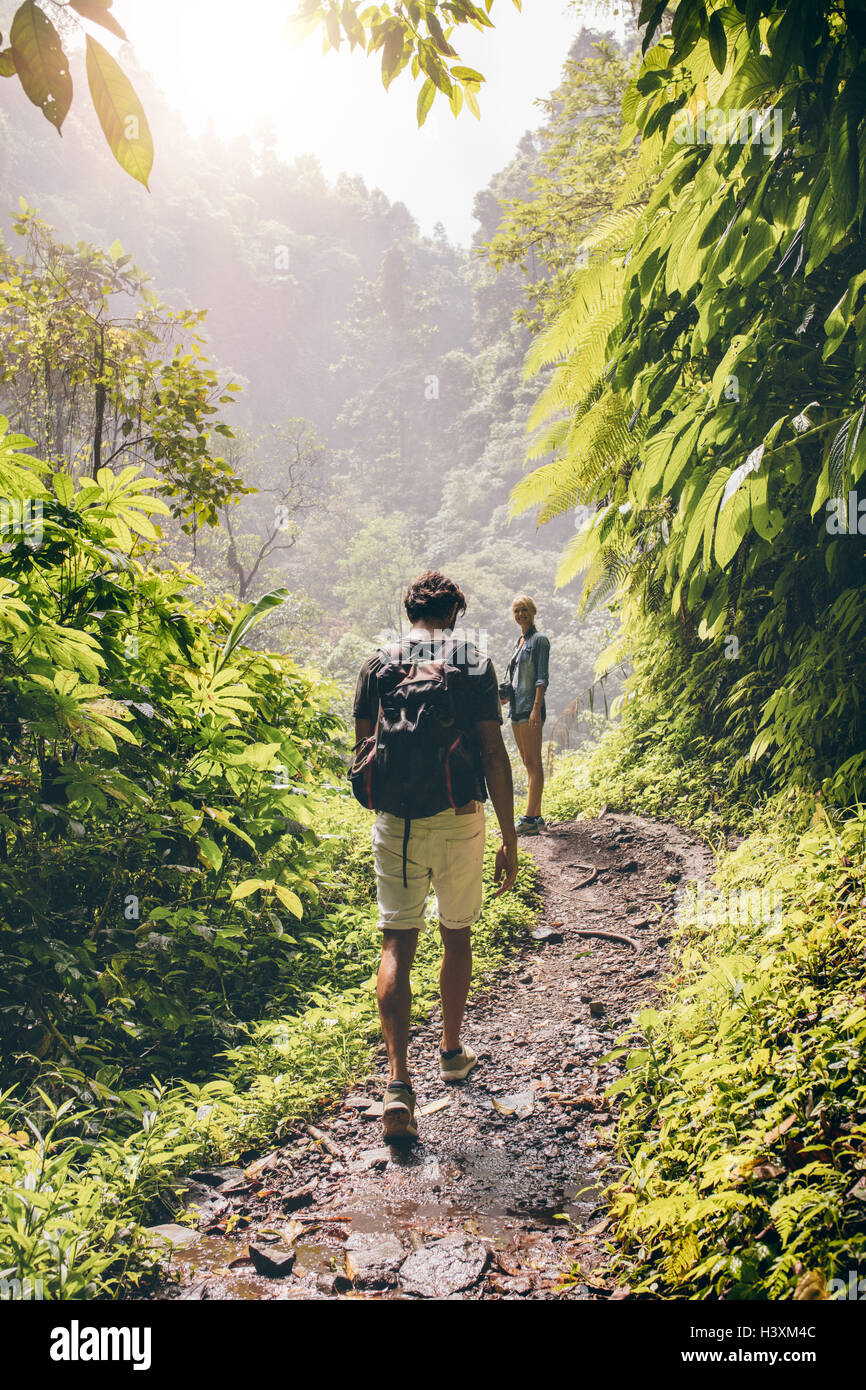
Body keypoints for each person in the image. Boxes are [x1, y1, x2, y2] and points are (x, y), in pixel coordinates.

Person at [352, 571, 519, 1143]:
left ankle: (398, 1085)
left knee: (397, 939)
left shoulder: (378, 662)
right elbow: (495, 755)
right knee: (457, 933)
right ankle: (450, 1051)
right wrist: (510, 838)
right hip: (459, 816)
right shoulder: (472, 662)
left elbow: (361, 749)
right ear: (453, 613)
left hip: (395, 822)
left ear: (410, 610)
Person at [501, 594, 550, 835]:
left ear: (532, 611)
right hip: (516, 707)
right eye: (516, 611)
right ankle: (537, 817)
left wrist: (536, 708)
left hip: (531, 708)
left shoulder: (540, 641)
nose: (520, 614)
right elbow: (514, 678)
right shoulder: (518, 642)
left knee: (534, 762)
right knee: (527, 762)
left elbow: (542, 678)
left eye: (524, 610)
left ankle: (529, 818)